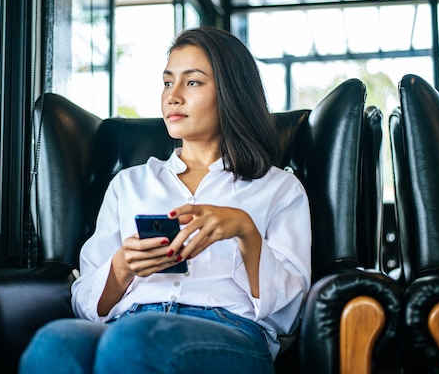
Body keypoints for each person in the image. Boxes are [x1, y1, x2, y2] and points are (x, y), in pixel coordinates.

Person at [18, 26, 311, 374]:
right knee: (57, 342)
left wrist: (247, 233)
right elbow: (85, 306)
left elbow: (289, 317)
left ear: (232, 92)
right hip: (128, 323)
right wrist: (122, 267)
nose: (172, 96)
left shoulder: (279, 189)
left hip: (230, 333)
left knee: (138, 339)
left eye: (192, 82)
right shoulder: (129, 184)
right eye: (168, 81)